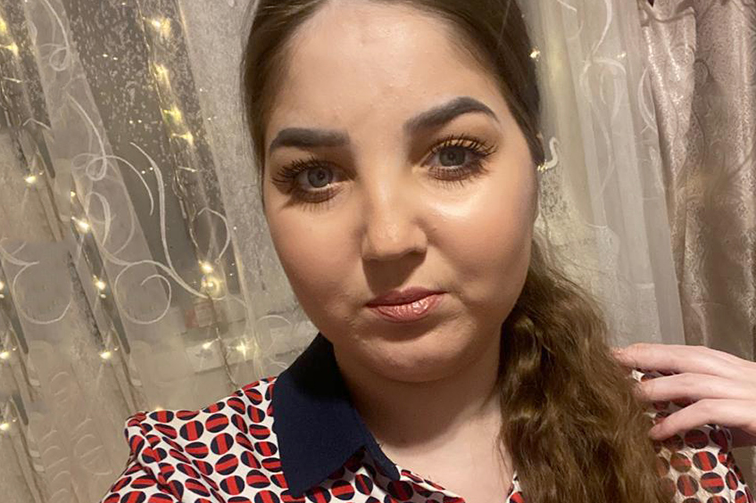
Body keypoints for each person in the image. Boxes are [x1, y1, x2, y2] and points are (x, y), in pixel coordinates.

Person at [101, 0, 756, 502]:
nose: (388, 240)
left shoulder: (667, 432)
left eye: (452, 155)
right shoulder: (193, 475)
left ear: (533, 158)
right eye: (316, 175)